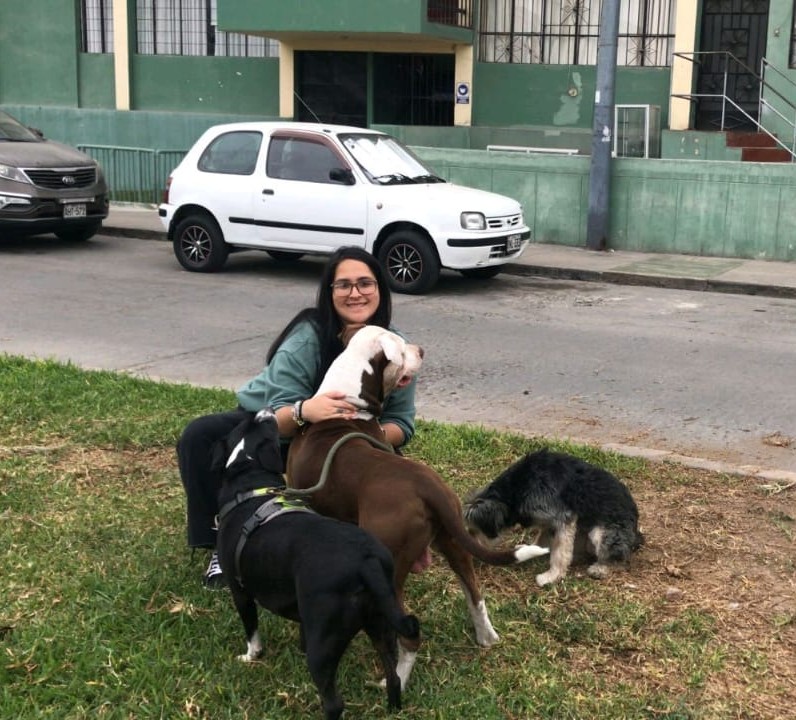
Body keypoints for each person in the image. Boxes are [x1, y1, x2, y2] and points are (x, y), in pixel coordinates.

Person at [176, 246, 417, 588]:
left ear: (380, 288)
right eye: (343, 285)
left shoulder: (395, 346)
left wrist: (364, 436)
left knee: (392, 473)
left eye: (365, 283)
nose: (355, 293)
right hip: (280, 427)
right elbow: (275, 416)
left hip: (345, 440)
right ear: (329, 292)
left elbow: (402, 424)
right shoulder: (309, 335)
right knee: (201, 435)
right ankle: (220, 543)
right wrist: (307, 411)